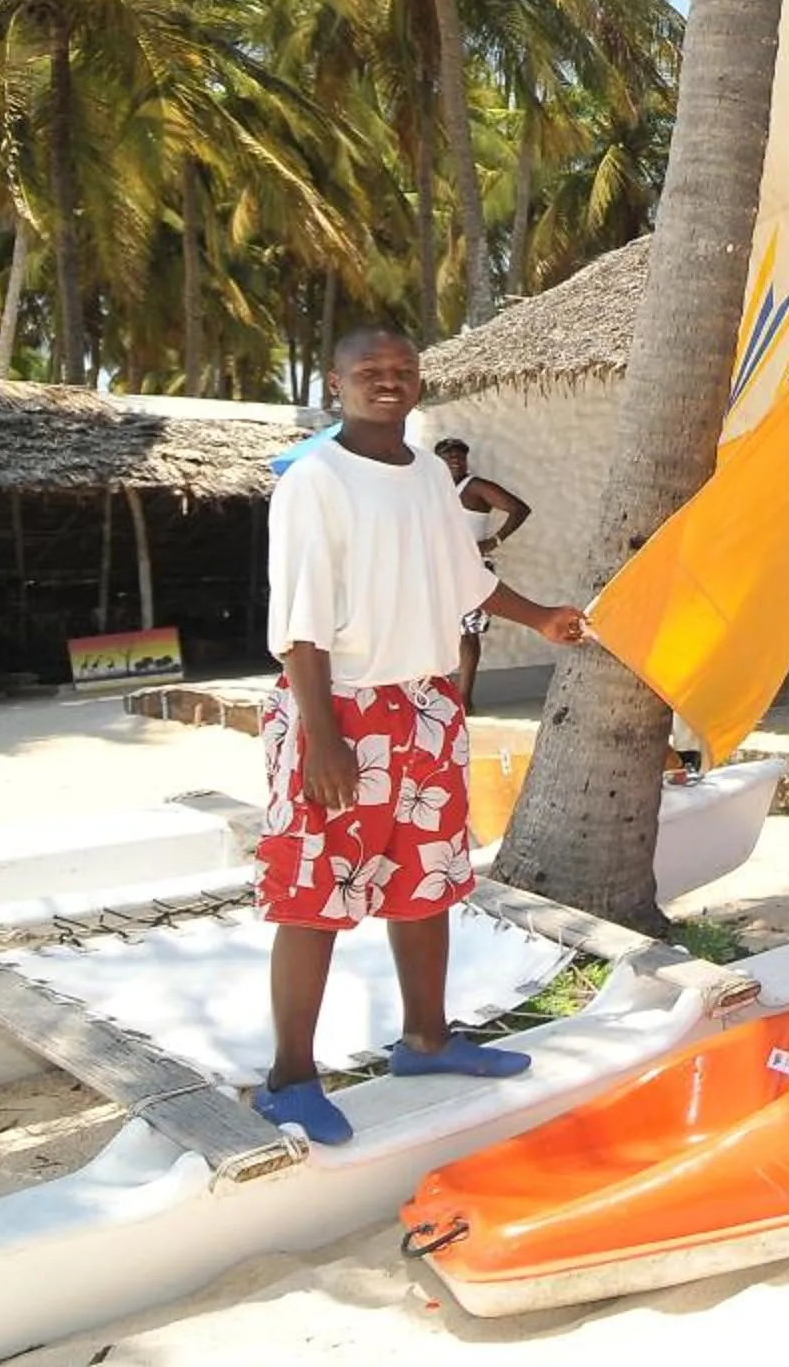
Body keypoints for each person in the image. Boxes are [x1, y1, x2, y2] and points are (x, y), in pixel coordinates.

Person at [254, 328, 588, 1148]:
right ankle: (290, 1079)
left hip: (427, 704)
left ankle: (427, 1040)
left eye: (403, 370)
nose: (388, 381)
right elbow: (299, 620)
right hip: (338, 708)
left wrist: (540, 617)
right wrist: (322, 738)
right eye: (369, 371)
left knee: (426, 881)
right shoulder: (315, 480)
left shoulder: (432, 478)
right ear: (334, 382)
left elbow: (464, 577)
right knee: (315, 896)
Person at [432, 438, 531, 710]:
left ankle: (465, 698)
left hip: (470, 568)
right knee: (439, 629)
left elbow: (519, 509)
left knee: (468, 632)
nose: (455, 459)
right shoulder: (434, 488)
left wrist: (494, 541)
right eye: (448, 455)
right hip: (439, 568)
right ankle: (439, 693)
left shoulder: (475, 487)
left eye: (459, 455)